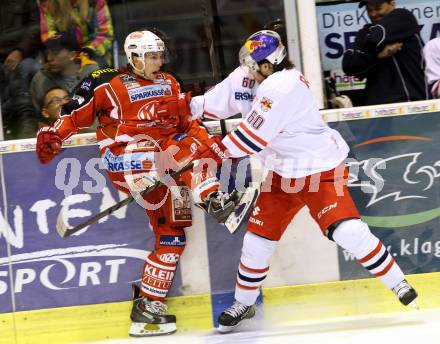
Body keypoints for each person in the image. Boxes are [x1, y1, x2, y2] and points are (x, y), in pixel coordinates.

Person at [195, 30, 419, 333]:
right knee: (256, 242)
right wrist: (179, 111)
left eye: (251, 65)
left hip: (320, 169)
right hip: (282, 174)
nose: (247, 71)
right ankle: (244, 303)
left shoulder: (285, 86)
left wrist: (210, 151)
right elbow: (211, 104)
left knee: (350, 232)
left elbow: (251, 137)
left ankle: (398, 283)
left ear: (267, 64)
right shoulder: (250, 75)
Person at [35, 30, 253, 336]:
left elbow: (187, 124)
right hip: (126, 158)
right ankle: (215, 201)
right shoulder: (107, 82)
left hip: (167, 164)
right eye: (151, 55)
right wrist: (53, 133)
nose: (158, 61)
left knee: (172, 234)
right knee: (182, 147)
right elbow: (75, 113)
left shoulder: (170, 82)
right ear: (134, 56)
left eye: (159, 55)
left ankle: (147, 311)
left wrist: (207, 145)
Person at [342, 0, 429, 105]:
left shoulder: (402, 16)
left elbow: (375, 38)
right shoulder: (365, 31)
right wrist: (378, 56)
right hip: (376, 108)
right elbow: (348, 65)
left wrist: (363, 53)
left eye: (378, 8)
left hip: (410, 104)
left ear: (392, 3)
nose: (373, 14)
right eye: (369, 10)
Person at [30, 31, 99, 114]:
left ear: (72, 55)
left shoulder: (94, 74)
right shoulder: (40, 79)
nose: (49, 58)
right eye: (47, 52)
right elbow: (37, 115)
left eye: (55, 52)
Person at [38, 0, 114, 67]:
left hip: (94, 52)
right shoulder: (50, 4)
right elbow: (48, 34)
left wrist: (89, 50)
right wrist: (60, 51)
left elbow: (105, 33)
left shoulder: (96, 2)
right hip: (63, 53)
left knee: (89, 72)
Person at [0, 0, 41, 82]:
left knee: (32, 68)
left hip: (22, 54)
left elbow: (35, 29)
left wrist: (19, 51)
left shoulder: (27, 2)